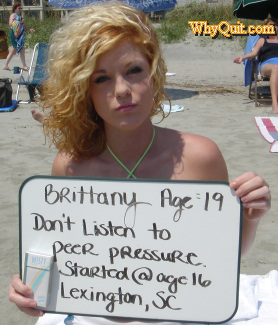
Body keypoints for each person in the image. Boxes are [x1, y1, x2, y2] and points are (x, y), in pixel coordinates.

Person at [9, 2, 271, 324]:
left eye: (134, 71)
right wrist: (31, 289)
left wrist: (250, 217)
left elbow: (225, 257)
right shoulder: (69, 167)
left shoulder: (201, 157)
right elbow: (53, 261)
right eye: (101, 79)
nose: (121, 90)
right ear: (83, 90)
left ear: (154, 74)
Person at [234, 17, 278, 114]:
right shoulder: (262, 40)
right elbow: (253, 53)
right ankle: (275, 104)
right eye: (271, 25)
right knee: (276, 68)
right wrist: (242, 57)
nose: (274, 27)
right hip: (268, 65)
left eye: (275, 25)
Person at [3, 2, 35, 72]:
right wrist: (19, 21)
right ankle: (8, 65)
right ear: (15, 9)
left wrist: (29, 29)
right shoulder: (13, 15)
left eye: (21, 8)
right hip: (14, 34)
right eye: (19, 8)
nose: (20, 9)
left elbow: (23, 27)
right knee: (16, 49)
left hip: (20, 35)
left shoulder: (20, 17)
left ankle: (22, 65)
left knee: (20, 49)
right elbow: (11, 24)